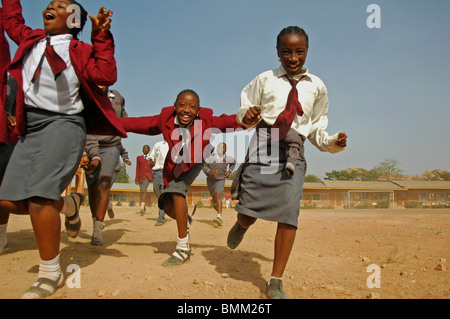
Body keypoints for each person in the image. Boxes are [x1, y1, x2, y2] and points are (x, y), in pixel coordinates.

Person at [0, 0, 125, 299]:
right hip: (30, 126)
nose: (52, 6)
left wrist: (102, 38)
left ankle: (50, 273)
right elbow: (11, 18)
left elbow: (105, 76)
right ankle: (69, 205)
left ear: (74, 21)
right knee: (7, 201)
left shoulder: (80, 51)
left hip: (64, 124)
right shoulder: (30, 40)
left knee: (40, 199)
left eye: (62, 6)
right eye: (50, 3)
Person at [228, 26, 347, 299]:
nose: (293, 58)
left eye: (299, 52)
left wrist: (332, 143)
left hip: (294, 152)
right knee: (248, 211)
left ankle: (275, 280)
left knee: (289, 213)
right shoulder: (265, 79)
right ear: (278, 52)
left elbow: (317, 127)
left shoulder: (317, 86)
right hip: (265, 145)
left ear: (307, 51)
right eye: (286, 52)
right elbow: (244, 111)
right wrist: (249, 114)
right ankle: (242, 224)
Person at [120, 89, 242, 266]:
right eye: (182, 105)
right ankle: (185, 221)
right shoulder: (165, 118)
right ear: (175, 106)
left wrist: (247, 120)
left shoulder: (205, 120)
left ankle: (182, 248)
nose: (186, 110)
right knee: (167, 204)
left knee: (177, 193)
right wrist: (111, 123)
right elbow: (140, 123)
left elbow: (225, 121)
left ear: (198, 110)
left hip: (196, 161)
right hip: (174, 165)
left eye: (192, 107)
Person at [82, 88, 128, 246]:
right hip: (88, 142)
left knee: (104, 183)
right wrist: (85, 153)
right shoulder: (86, 95)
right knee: (93, 189)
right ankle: (95, 220)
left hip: (111, 146)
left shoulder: (118, 96)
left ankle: (98, 229)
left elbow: (124, 119)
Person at [202, 142, 236, 226]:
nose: (220, 149)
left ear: (225, 149)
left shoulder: (227, 158)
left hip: (220, 179)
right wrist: (209, 171)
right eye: (218, 147)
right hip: (210, 180)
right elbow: (204, 165)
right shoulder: (211, 157)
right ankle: (214, 203)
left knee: (218, 195)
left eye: (222, 147)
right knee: (214, 200)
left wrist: (229, 171)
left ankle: (219, 217)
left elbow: (234, 162)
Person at [107, 142, 131, 219]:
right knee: (99, 189)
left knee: (105, 188)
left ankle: (108, 206)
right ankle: (107, 205)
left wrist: (126, 159)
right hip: (100, 168)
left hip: (113, 169)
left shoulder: (115, 140)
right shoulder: (98, 138)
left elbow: (123, 151)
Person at [148, 140, 169, 226]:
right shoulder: (158, 144)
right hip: (157, 171)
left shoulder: (177, 144)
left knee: (163, 194)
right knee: (156, 190)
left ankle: (161, 217)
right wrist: (150, 161)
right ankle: (166, 205)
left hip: (168, 172)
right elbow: (151, 156)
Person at [135, 145, 154, 215]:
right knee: (142, 191)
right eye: (144, 148)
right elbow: (137, 168)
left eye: (147, 148)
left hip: (148, 176)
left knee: (144, 190)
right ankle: (143, 205)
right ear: (142, 149)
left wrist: (151, 162)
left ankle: (142, 207)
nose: (145, 149)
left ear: (149, 150)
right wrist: (136, 179)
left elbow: (154, 165)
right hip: (141, 177)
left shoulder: (151, 157)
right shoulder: (139, 158)